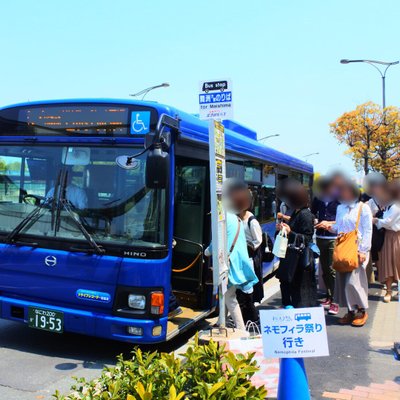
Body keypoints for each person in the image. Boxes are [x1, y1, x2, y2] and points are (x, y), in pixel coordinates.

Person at [205, 179, 258, 331]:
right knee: (226, 293)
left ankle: (241, 330)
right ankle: (221, 321)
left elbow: (217, 242)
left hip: (228, 265)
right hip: (236, 263)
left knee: (229, 297)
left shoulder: (223, 218)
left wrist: (207, 252)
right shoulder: (236, 217)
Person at [320, 180, 372, 327]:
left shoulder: (363, 208)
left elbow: (368, 230)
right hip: (342, 248)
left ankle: (362, 311)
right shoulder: (341, 208)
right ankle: (350, 311)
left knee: (354, 282)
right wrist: (329, 226)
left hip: (357, 248)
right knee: (342, 281)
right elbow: (339, 226)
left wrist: (363, 250)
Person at [276, 182, 317, 308]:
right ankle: (289, 306)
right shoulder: (296, 212)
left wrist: (290, 232)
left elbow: (307, 238)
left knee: (297, 288)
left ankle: (293, 309)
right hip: (291, 256)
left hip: (298, 259)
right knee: (287, 283)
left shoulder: (305, 214)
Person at [313, 177, 340, 315]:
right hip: (320, 237)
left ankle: (335, 300)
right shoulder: (317, 199)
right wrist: (316, 221)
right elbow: (313, 214)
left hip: (333, 238)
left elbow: (343, 219)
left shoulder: (339, 200)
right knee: (324, 269)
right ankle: (329, 296)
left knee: (332, 269)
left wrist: (329, 223)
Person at [237, 188, 264, 324]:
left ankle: (253, 318)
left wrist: (247, 245)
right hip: (240, 257)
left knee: (248, 289)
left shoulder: (251, 221)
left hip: (250, 258)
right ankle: (246, 316)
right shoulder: (236, 217)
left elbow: (258, 240)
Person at [373, 184, 400, 303]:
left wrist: (376, 220)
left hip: (395, 237)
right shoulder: (389, 206)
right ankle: (389, 291)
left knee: (397, 264)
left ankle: (395, 291)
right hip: (387, 236)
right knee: (387, 264)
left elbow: (388, 222)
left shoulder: (396, 206)